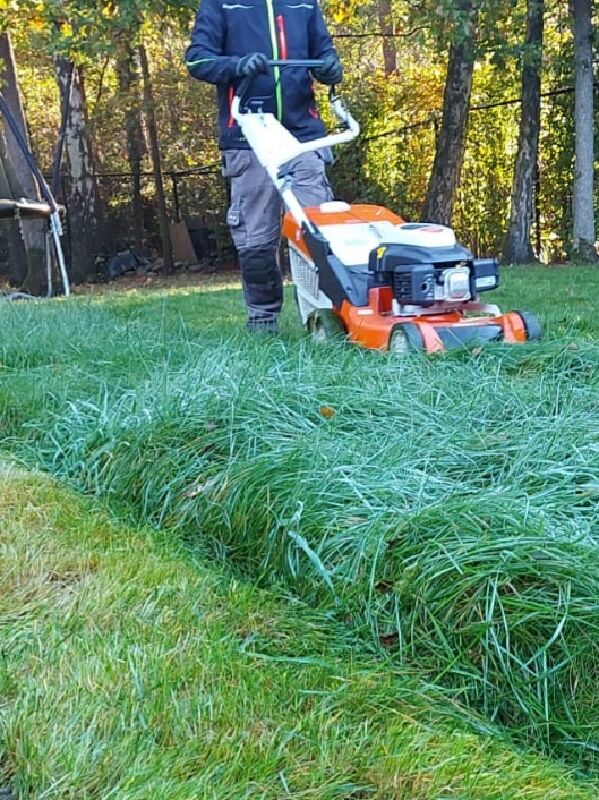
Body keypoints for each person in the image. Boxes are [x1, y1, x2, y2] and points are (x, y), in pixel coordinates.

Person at [186, 0, 342, 333]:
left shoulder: (304, 3)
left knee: (316, 230)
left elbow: (325, 53)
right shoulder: (221, 4)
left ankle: (321, 320)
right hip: (247, 133)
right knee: (256, 237)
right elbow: (198, 58)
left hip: (303, 134)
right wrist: (237, 66)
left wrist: (330, 68)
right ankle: (263, 319)